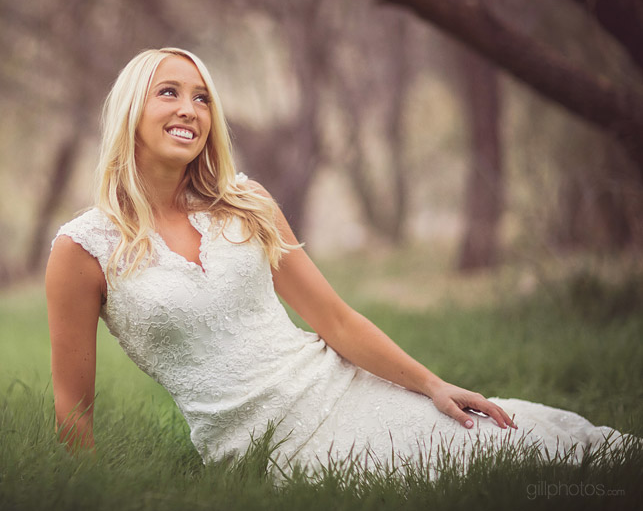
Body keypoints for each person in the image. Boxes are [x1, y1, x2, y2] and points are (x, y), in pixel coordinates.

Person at [45, 47, 626, 477]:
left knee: (526, 450)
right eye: (168, 92)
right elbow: (74, 410)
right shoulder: (84, 248)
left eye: (202, 98)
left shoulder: (246, 205)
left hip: (339, 387)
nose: (190, 110)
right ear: (130, 112)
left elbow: (336, 320)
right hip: (257, 451)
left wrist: (432, 384)